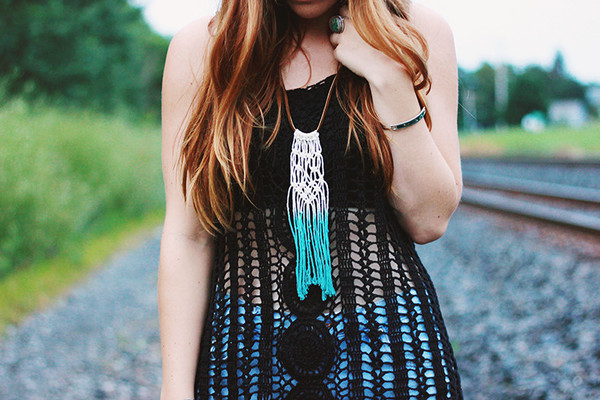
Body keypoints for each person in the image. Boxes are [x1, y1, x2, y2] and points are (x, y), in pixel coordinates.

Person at [159, 0, 463, 399]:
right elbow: (189, 235)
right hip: (245, 353)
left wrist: (390, 81)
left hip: (387, 352)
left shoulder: (416, 31)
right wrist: (175, 389)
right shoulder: (204, 47)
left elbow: (430, 219)